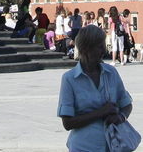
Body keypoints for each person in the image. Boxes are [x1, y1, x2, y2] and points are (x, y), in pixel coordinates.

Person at [57, 24, 133, 152]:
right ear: (86, 49)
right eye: (100, 46)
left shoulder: (111, 73)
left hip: (113, 146)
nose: (104, 50)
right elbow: (68, 123)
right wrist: (101, 112)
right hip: (83, 147)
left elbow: (126, 104)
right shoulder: (69, 79)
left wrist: (120, 117)